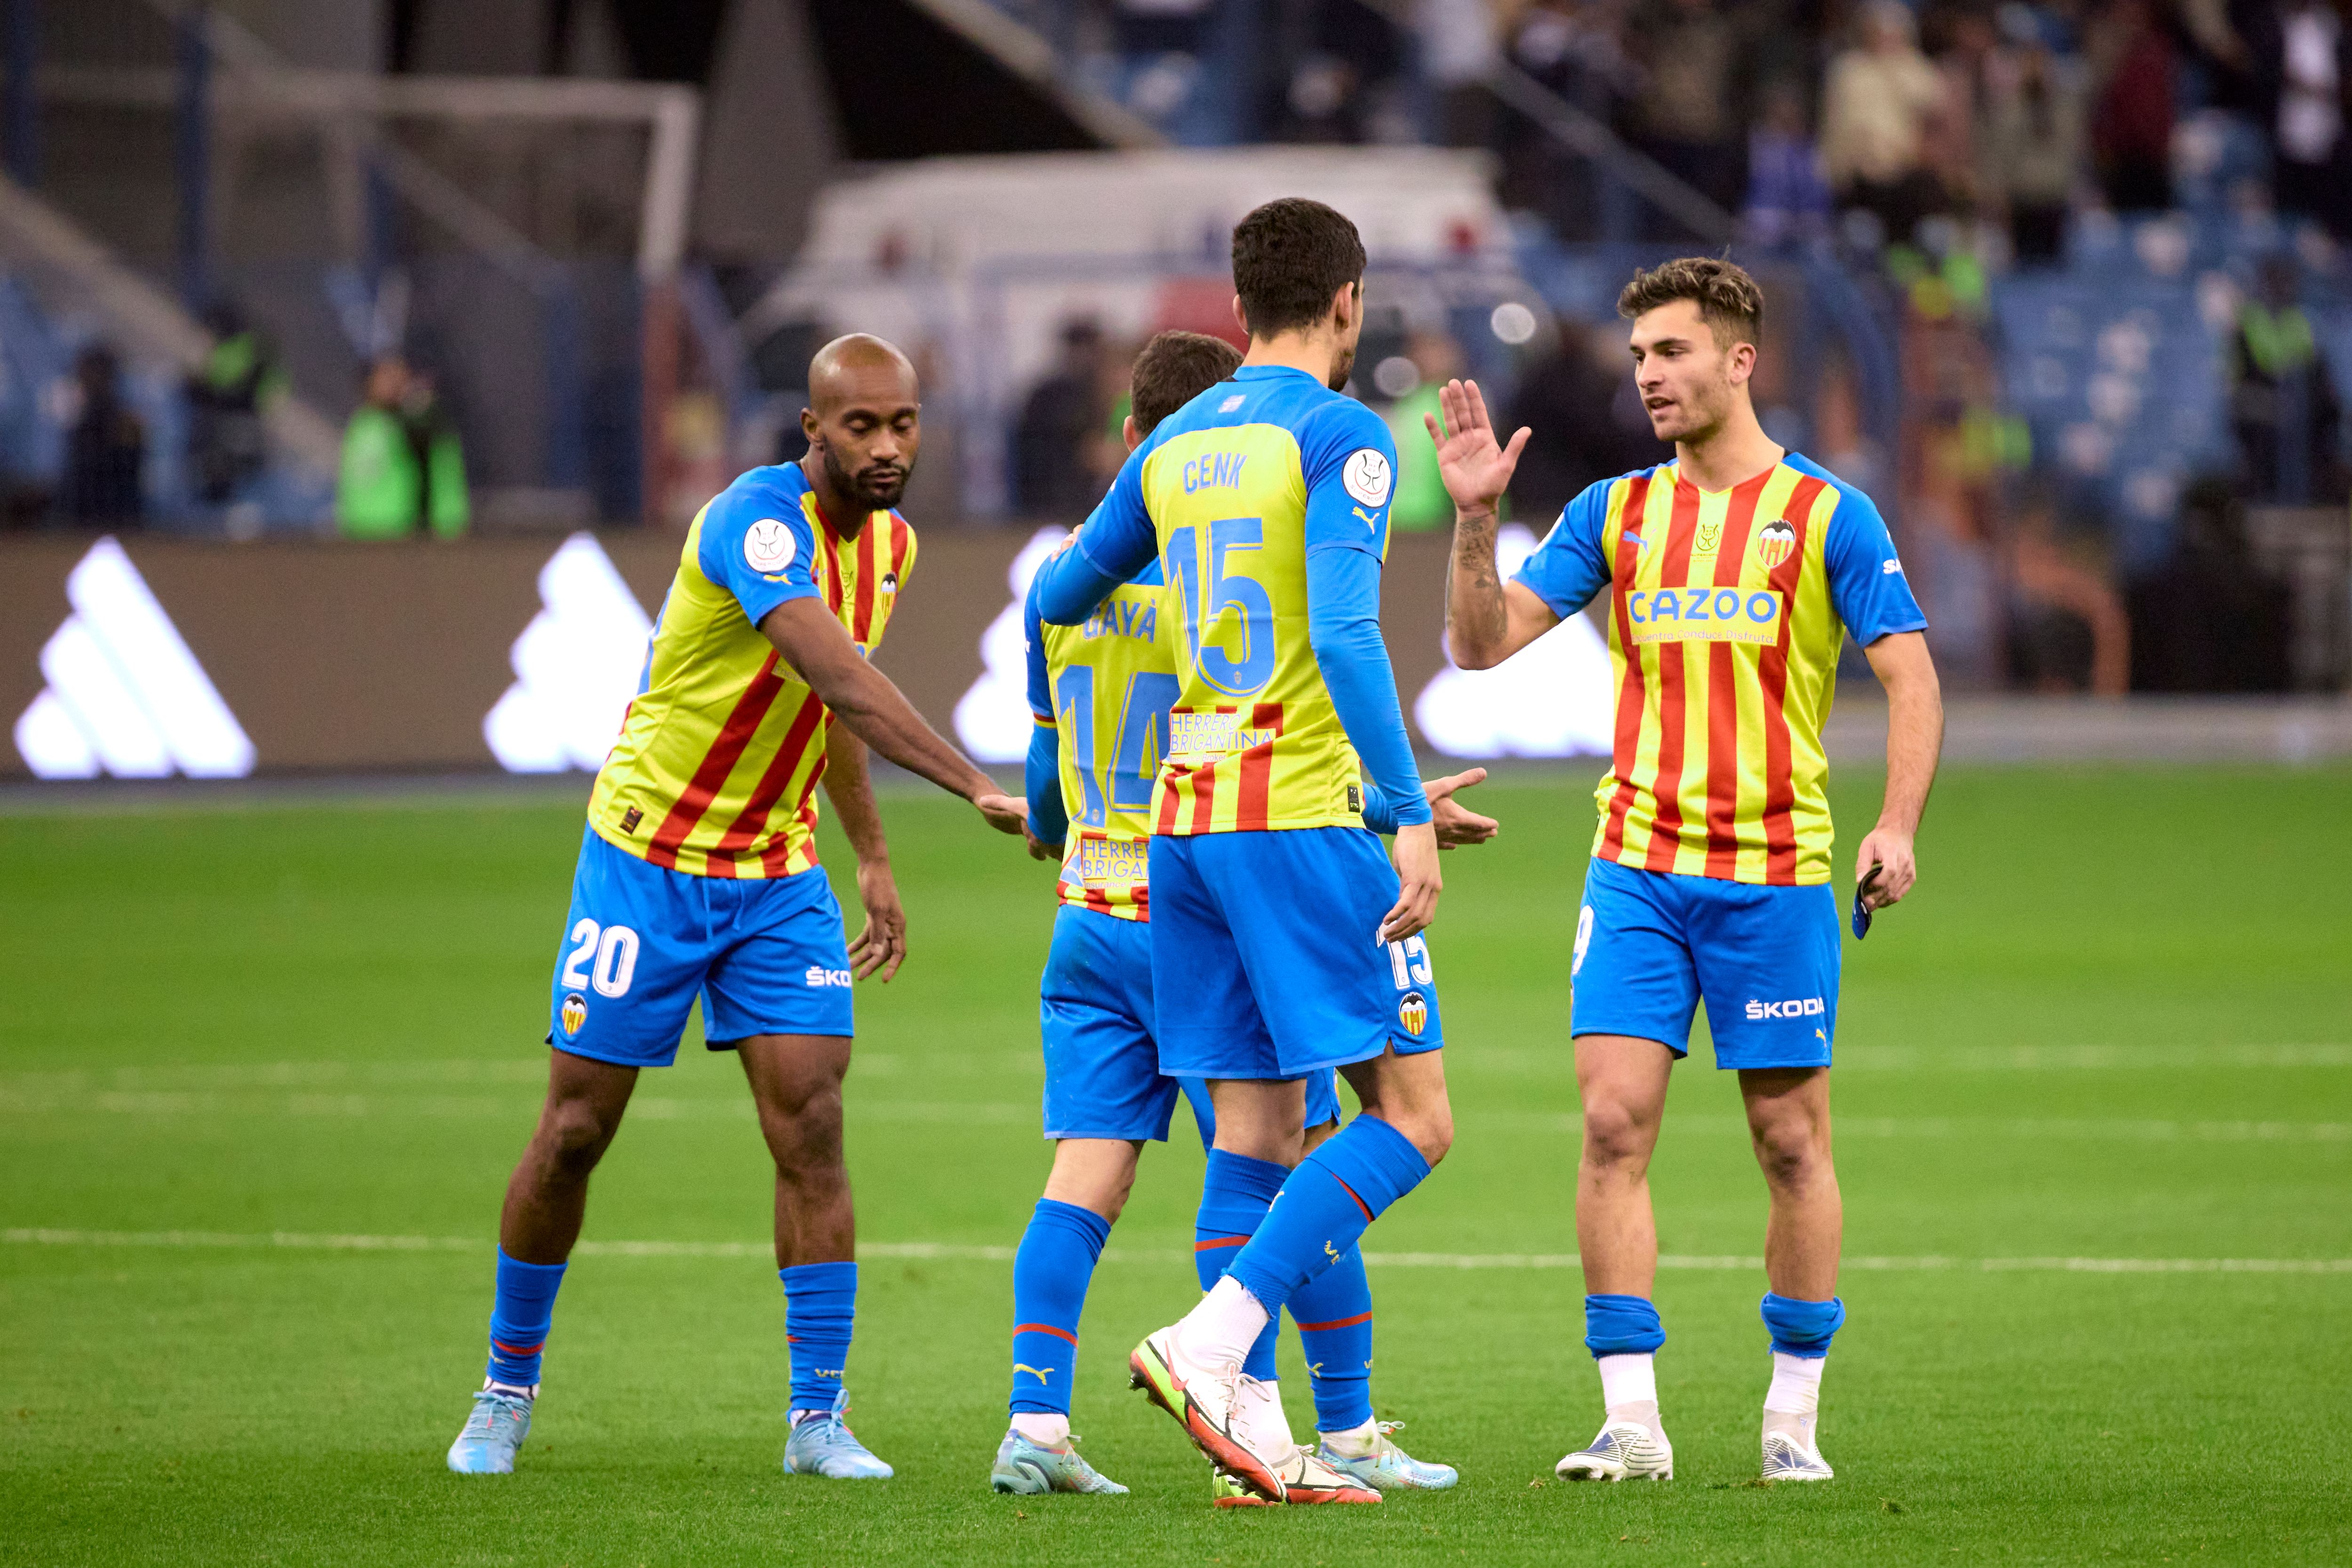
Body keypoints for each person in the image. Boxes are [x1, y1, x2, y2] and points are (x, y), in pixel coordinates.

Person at [444, 334, 1029, 1480]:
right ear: (810, 433)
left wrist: (870, 855)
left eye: (901, 424)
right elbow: (838, 673)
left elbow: (829, 711)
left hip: (773, 873)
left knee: (812, 1126)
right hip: (649, 857)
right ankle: (505, 1389)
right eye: (858, 426)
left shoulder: (893, 547)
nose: (884, 445)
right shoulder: (755, 525)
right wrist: (972, 784)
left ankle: (817, 1418)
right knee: (573, 1132)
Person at [1434, 256, 1943, 1483]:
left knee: (1788, 1142)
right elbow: (1483, 643)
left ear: (1739, 359)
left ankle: (1791, 1420)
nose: (1649, 375)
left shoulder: (1829, 514)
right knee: (1613, 1124)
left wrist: (1899, 824)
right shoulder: (1615, 511)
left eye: (1671, 352)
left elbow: (1911, 674)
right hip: (1638, 869)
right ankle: (1631, 1421)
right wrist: (1468, 517)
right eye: (1640, 356)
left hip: (1776, 874)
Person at [997, 328, 1493, 1503]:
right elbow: (1336, 632)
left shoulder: (1154, 472)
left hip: (1155, 852)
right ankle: (1228, 1351)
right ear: (1346, 303)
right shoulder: (1320, 443)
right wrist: (1401, 803)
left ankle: (1245, 1444)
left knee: (1247, 1138)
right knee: (1410, 1121)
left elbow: (1056, 599)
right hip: (1296, 823)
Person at [337, 355, 466, 540]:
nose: (394, 383)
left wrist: (449, 523)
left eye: (399, 375)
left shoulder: (427, 425)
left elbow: (445, 480)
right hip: (367, 532)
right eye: (386, 375)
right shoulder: (364, 425)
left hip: (404, 533)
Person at [58, 344, 145, 526]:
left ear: (108, 378)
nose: (89, 381)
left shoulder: (125, 422)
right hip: (77, 519)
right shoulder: (80, 420)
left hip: (117, 519)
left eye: (96, 375)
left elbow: (128, 483)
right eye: (85, 375)